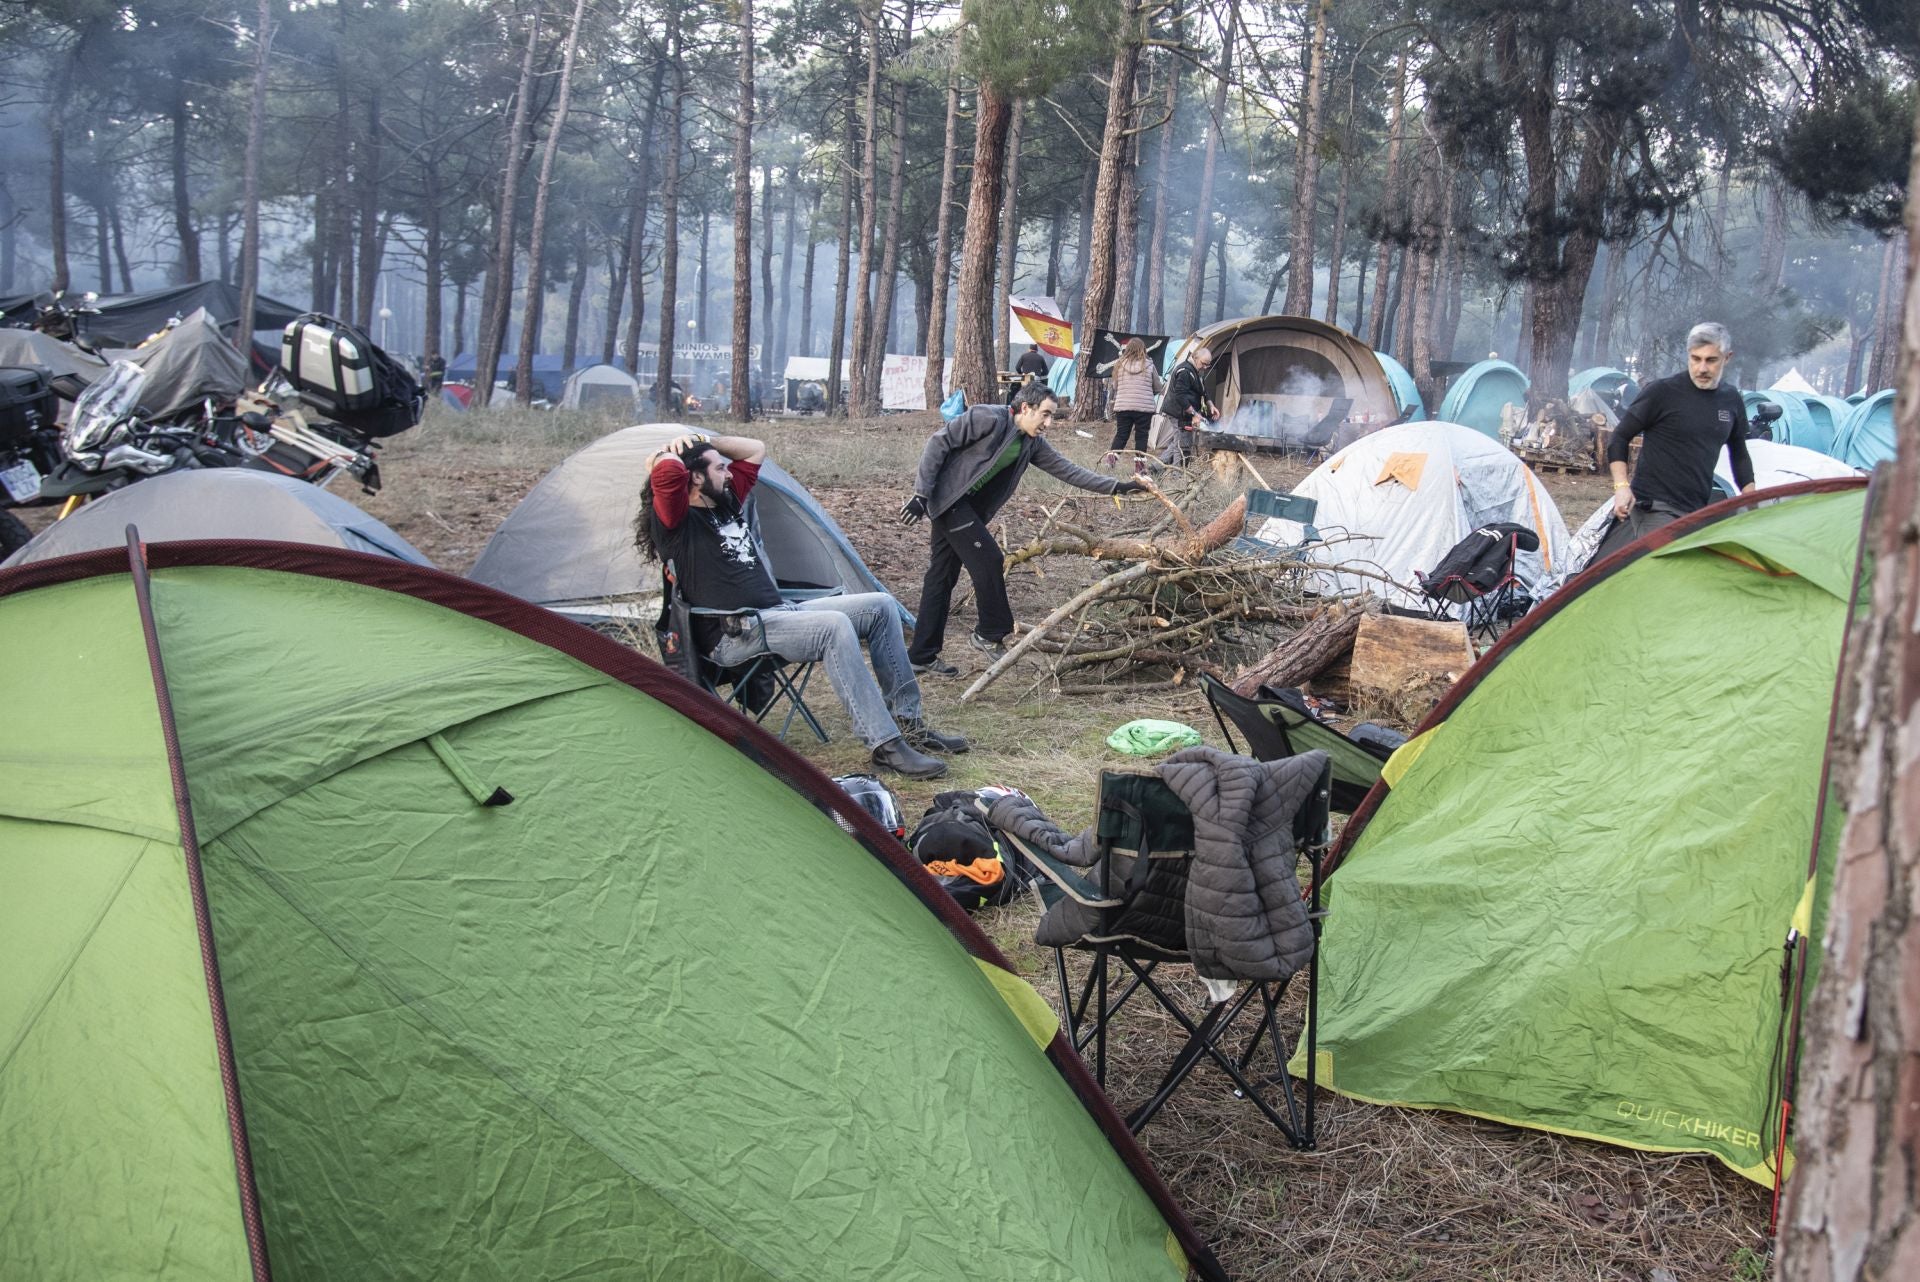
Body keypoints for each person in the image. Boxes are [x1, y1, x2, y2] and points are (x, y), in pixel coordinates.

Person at [636, 431, 966, 780]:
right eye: (720, 468)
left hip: (780, 615)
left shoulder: (725, 502)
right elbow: (668, 475)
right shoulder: (675, 522)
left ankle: (909, 722)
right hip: (736, 632)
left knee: (881, 606)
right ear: (696, 478)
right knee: (833, 627)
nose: (729, 473)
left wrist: (707, 441)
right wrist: (662, 454)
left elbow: (755, 449)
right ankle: (885, 746)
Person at [901, 382, 1151, 676]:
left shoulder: (1031, 443)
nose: (1048, 423)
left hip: (969, 511)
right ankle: (989, 633)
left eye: (1052, 417)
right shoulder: (988, 418)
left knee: (941, 577)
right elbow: (938, 443)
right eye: (1045, 414)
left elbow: (1069, 470)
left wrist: (1119, 487)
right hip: (949, 501)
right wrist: (921, 494)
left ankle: (921, 655)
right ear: (1025, 408)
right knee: (990, 560)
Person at [1592, 322, 1755, 563]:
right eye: (1695, 358)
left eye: (1711, 360)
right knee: (1671, 566)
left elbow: (1739, 451)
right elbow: (1620, 437)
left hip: (1697, 508)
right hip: (1654, 505)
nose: (1702, 368)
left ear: (1727, 358)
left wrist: (1752, 499)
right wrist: (1621, 486)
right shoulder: (1663, 393)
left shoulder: (1730, 399)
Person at [1104, 337, 1164, 470]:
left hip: (1123, 407)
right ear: (1143, 350)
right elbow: (1158, 387)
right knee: (1141, 436)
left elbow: (1115, 386)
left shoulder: (1119, 365)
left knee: (1121, 434)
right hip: (1144, 408)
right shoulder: (1149, 365)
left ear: (1128, 349)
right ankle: (1140, 468)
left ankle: (1111, 461)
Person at [1159, 346, 1218, 464]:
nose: (1205, 367)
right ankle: (1177, 474)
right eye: (1204, 363)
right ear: (1196, 358)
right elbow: (1180, 396)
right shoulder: (1185, 371)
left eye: (1208, 365)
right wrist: (1194, 414)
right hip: (1177, 412)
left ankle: (1157, 467)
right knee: (1182, 444)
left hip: (1185, 413)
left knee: (1178, 441)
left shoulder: (1197, 371)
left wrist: (1210, 404)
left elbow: (1203, 390)